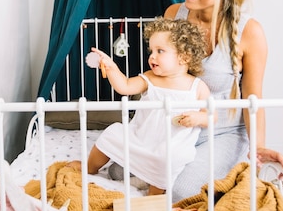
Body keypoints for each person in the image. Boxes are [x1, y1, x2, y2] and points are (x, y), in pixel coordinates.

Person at [164, 0, 283, 202]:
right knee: (120, 169)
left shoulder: (250, 33)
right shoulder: (174, 15)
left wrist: (257, 150)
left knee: (181, 192)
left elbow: (253, 99)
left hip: (223, 133)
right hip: (181, 124)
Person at [69, 17, 211, 195]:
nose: (152, 56)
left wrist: (198, 117)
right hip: (139, 139)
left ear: (184, 57)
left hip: (167, 147)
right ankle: (90, 167)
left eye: (160, 51)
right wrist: (111, 68)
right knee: (112, 133)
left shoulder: (197, 87)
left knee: (169, 158)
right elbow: (125, 86)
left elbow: (211, 116)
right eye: (151, 50)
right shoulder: (151, 78)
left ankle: (154, 195)